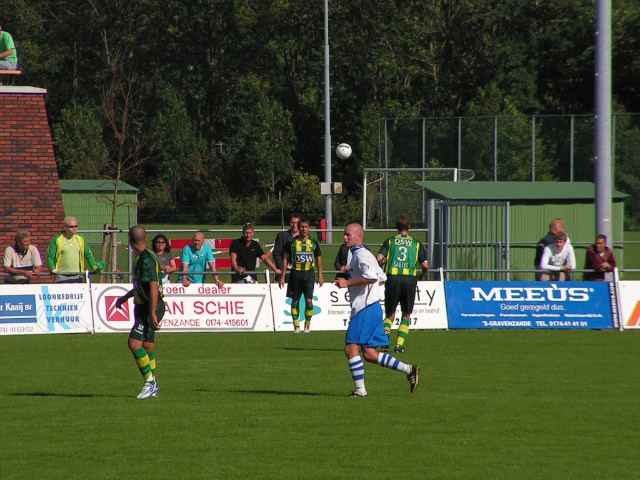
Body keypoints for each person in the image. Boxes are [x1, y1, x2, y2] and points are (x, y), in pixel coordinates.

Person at [335, 223, 419, 397]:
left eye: (348, 235)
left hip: (365, 309)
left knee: (351, 349)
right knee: (370, 354)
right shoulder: (360, 254)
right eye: (344, 234)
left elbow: (372, 277)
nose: (344, 238)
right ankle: (409, 369)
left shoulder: (361, 255)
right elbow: (382, 276)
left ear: (358, 237)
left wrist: (348, 283)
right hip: (371, 308)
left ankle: (360, 391)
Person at [115, 225, 164, 399]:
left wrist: (152, 312)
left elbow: (153, 287)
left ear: (129, 241)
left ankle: (150, 383)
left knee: (134, 343)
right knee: (148, 346)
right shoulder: (141, 257)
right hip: (145, 305)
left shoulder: (146, 260)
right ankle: (154, 384)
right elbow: (140, 286)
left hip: (150, 306)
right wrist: (125, 298)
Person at [376, 213, 429, 354]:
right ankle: (399, 345)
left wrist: (381, 270)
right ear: (409, 227)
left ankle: (385, 336)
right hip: (409, 279)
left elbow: (379, 257)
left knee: (390, 313)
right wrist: (421, 276)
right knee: (406, 314)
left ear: (396, 227)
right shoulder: (416, 243)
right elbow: (425, 265)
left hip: (393, 278)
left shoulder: (390, 241)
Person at [279, 217, 324, 333]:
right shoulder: (291, 242)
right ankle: (296, 326)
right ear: (298, 228)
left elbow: (318, 258)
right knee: (295, 301)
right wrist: (283, 276)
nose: (304, 229)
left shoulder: (313, 242)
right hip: (295, 275)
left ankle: (307, 325)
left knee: (309, 300)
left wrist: (320, 275)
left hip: (309, 275)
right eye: (302, 227)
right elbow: (285, 258)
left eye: (306, 227)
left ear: (309, 228)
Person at [46, 216, 99, 283]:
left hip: (77, 275)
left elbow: (88, 254)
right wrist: (52, 268)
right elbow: (50, 256)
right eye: (71, 227)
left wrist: (94, 267)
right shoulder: (57, 239)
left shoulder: (81, 238)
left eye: (76, 226)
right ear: (65, 228)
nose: (74, 228)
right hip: (61, 276)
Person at [273, 213, 300, 283]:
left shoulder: (305, 237)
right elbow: (276, 254)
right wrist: (282, 269)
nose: (294, 225)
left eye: (296, 223)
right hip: (286, 272)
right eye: (292, 222)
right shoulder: (282, 236)